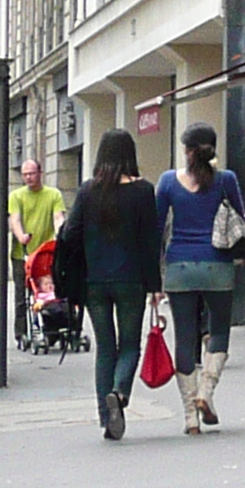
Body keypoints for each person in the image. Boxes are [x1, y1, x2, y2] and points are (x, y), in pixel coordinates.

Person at [54, 128, 162, 440]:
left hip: (94, 282)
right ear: (131, 154)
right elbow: (149, 242)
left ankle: (106, 416)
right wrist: (155, 286)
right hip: (132, 280)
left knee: (105, 348)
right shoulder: (144, 191)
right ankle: (120, 392)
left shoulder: (89, 191)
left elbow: (71, 234)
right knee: (129, 344)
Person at [156, 124, 245, 434]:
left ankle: (189, 417)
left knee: (185, 337)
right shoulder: (226, 179)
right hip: (218, 265)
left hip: (179, 268)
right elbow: (239, 215)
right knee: (219, 331)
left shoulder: (168, 182)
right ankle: (206, 393)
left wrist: (153, 280)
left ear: (187, 150)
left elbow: (157, 229)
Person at [8, 159, 63, 258]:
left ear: (40, 173)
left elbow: (58, 218)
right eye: (25, 174)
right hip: (22, 254)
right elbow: (15, 220)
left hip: (46, 252)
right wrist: (21, 237)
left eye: (31, 173)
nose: (28, 177)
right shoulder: (15, 196)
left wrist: (60, 235)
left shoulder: (54, 194)